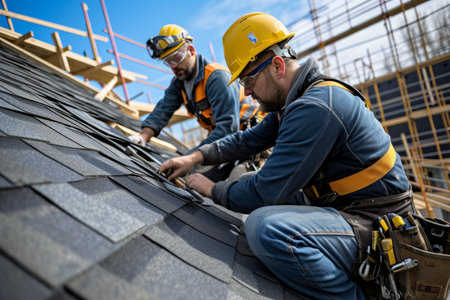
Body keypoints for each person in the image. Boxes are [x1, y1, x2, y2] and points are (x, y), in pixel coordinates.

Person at [159, 13, 418, 299]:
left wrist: (213, 189)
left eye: (248, 79)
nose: (246, 92)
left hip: (379, 223)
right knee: (247, 181)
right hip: (351, 207)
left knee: (266, 228)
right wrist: (194, 157)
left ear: (278, 66)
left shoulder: (316, 107)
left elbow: (268, 190)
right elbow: (248, 140)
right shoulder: (295, 101)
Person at [129, 24, 260, 156]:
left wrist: (190, 158)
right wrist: (143, 137)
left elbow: (228, 127)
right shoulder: (179, 84)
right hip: (223, 140)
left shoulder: (216, 77)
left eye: (176, 58)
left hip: (250, 134)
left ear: (191, 50)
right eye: (168, 62)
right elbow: (163, 110)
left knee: (194, 169)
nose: (173, 66)